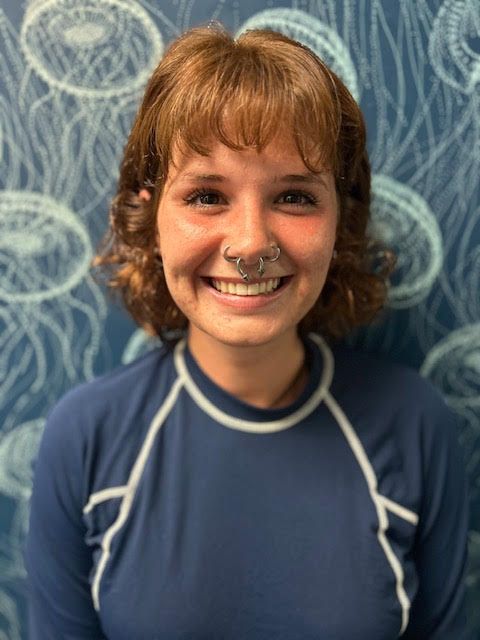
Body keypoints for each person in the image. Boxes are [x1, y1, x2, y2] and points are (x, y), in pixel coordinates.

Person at [26, 23, 470, 640]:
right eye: (207, 196)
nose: (251, 246)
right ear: (152, 216)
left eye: (294, 197)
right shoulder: (85, 439)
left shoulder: (415, 424)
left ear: (342, 222)